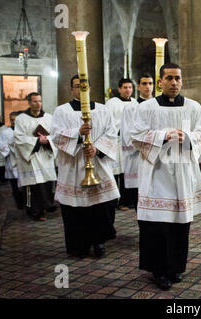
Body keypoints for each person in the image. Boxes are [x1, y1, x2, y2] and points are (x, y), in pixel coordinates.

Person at [130, 63, 201, 290]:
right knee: (158, 225)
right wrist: (163, 135)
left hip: (182, 172)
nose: (174, 83)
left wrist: (186, 137)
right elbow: (135, 136)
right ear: (160, 82)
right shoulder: (147, 107)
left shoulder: (194, 107)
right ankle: (158, 270)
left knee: (179, 224)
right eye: (169, 78)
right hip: (156, 173)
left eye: (177, 78)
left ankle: (175, 267)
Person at [50, 74, 119, 258]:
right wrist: (78, 134)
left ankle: (99, 242)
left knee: (102, 206)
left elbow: (112, 133)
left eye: (84, 85)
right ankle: (78, 245)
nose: (81, 89)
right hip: (73, 166)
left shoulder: (103, 110)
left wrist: (97, 149)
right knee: (75, 209)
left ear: (89, 88)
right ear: (71, 89)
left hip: (98, 163)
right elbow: (56, 136)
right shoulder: (61, 111)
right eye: (76, 86)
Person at [14, 93, 57, 221]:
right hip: (31, 157)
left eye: (40, 101)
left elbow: (55, 135)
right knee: (33, 186)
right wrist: (38, 141)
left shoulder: (49, 118)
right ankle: (35, 211)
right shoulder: (21, 119)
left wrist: (47, 140)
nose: (38, 104)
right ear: (29, 103)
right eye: (34, 101)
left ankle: (46, 207)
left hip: (45, 155)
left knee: (46, 184)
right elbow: (19, 139)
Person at [121, 74, 154, 211]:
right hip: (137, 157)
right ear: (138, 87)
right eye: (144, 83)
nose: (148, 87)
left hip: (156, 158)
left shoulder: (158, 106)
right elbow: (126, 133)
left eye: (150, 83)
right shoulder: (130, 107)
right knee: (138, 197)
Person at [105, 78, 137, 211]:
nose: (128, 90)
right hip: (116, 141)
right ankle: (114, 200)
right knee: (115, 172)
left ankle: (126, 200)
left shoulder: (135, 103)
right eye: (125, 87)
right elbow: (107, 121)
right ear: (119, 89)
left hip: (130, 142)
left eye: (130, 87)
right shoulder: (111, 103)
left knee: (128, 171)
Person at [0, 111, 23, 208]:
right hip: (12, 162)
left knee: (25, 185)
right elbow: (1, 146)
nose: (14, 122)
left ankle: (27, 203)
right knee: (15, 185)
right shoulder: (5, 132)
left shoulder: (24, 131)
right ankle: (19, 204)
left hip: (23, 161)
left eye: (16, 120)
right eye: (12, 120)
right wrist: (11, 146)